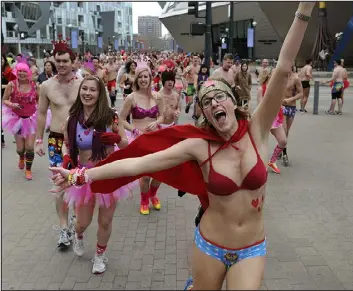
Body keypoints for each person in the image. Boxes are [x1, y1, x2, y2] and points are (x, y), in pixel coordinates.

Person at [49, 3, 315, 289]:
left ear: (234, 102)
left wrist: (305, 7)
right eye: (206, 101)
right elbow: (138, 163)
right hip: (210, 246)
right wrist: (80, 176)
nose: (214, 102)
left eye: (219, 96)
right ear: (204, 114)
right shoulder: (198, 146)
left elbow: (284, 64)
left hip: (252, 248)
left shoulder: (258, 129)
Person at [61, 76, 131, 274]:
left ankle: (100, 255)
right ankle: (78, 234)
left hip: (108, 175)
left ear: (100, 94)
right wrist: (67, 159)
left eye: (93, 90)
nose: (87, 93)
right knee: (83, 222)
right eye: (84, 89)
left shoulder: (111, 117)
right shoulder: (72, 120)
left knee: (105, 221)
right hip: (83, 177)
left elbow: (125, 144)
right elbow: (67, 145)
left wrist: (117, 138)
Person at [35, 36, 83, 250]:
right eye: (58, 61)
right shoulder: (46, 86)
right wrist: (38, 138)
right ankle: (64, 228)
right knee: (59, 186)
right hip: (55, 140)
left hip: (80, 140)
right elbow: (41, 113)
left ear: (73, 61)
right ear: (53, 61)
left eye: (65, 60)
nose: (62, 65)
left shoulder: (84, 84)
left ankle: (76, 220)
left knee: (80, 184)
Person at [119, 61, 164, 215]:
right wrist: (133, 130)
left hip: (156, 138)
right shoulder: (131, 98)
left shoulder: (158, 96)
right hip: (139, 140)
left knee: (160, 172)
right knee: (144, 175)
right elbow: (121, 119)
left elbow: (163, 116)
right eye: (141, 77)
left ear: (151, 78)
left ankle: (153, 195)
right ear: (136, 79)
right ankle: (144, 200)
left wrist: (157, 122)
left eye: (146, 76)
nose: (144, 79)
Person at [2, 58, 39, 180]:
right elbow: (4, 100)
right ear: (16, 72)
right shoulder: (11, 85)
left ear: (28, 73)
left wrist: (38, 108)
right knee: (20, 149)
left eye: (24, 71)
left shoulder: (34, 85)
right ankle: (21, 157)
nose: (22, 74)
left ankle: (28, 170)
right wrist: (12, 104)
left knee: (29, 147)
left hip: (31, 119)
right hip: (16, 120)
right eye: (19, 71)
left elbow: (39, 100)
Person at [257, 68, 287, 174]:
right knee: (262, 144)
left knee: (283, 141)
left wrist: (281, 106)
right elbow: (260, 106)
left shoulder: (278, 88)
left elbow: (279, 101)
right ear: (269, 76)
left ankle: (272, 161)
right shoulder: (261, 89)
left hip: (276, 118)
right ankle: (259, 164)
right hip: (265, 118)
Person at [2, 54, 17, 148]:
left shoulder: (8, 71)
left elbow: (14, 83)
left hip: (6, 97)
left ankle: (4, 139)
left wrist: (4, 86)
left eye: (1, 59)